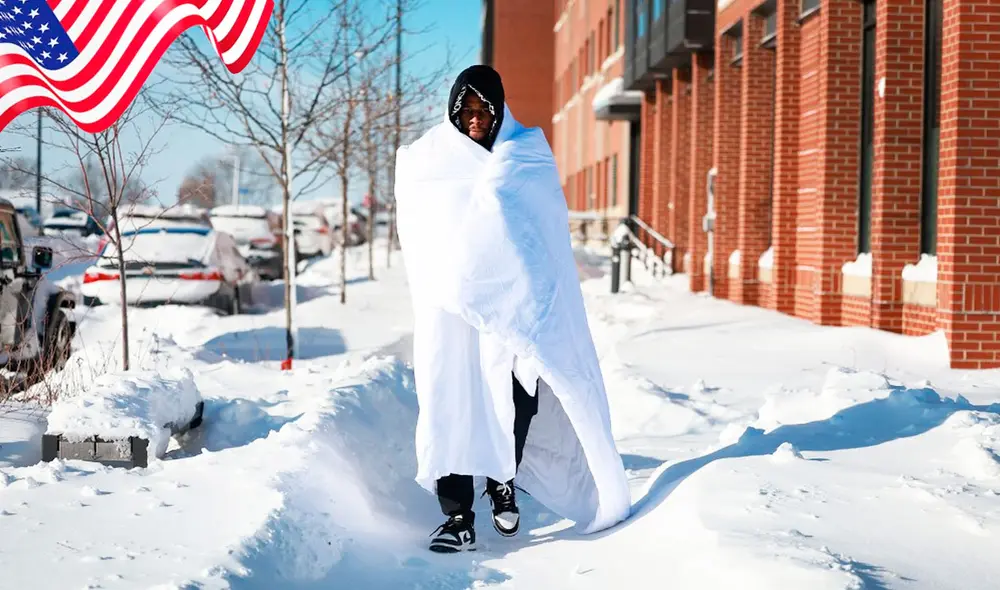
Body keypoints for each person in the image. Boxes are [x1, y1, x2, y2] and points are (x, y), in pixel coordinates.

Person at [394, 65, 631, 554]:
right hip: (451, 311)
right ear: (454, 112)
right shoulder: (428, 160)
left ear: (500, 110)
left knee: (516, 397)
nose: (476, 119)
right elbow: (420, 228)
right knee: (452, 401)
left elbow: (542, 227)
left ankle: (503, 480)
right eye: (468, 110)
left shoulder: (526, 153)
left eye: (485, 110)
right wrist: (452, 276)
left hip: (513, 303)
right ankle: (457, 517)